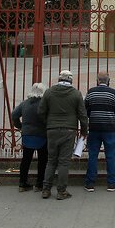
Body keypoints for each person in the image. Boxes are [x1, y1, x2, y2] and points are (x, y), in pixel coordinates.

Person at [38, 70, 88, 200]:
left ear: (59, 79)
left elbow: (41, 111)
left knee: (51, 160)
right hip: (69, 130)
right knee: (64, 162)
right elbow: (83, 115)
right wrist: (84, 130)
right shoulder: (76, 94)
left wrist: (48, 123)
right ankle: (61, 191)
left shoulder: (49, 92)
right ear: (71, 80)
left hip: (52, 129)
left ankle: (46, 189)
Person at [84, 72, 115, 192]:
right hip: (109, 129)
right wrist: (112, 119)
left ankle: (90, 183)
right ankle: (112, 183)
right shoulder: (113, 93)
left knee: (93, 155)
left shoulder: (90, 92)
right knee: (110, 156)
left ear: (97, 80)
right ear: (108, 80)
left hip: (94, 128)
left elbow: (85, 110)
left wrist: (93, 117)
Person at [12, 83, 48, 192]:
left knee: (26, 160)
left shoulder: (25, 103)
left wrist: (20, 126)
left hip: (27, 134)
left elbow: (14, 114)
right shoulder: (44, 104)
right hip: (42, 134)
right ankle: (39, 184)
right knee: (42, 160)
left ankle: (22, 183)